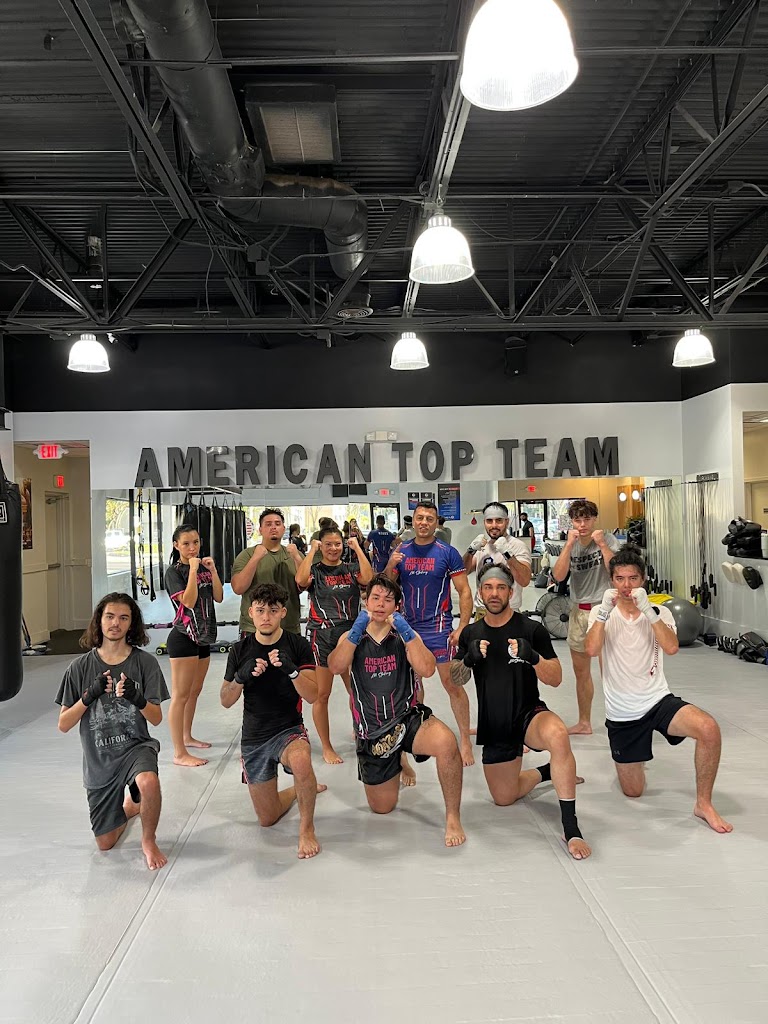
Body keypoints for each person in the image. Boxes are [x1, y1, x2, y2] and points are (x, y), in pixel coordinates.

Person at [585, 547, 732, 834]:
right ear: (611, 581)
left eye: (632, 578)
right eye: (620, 579)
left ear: (643, 580)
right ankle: (635, 760)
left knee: (708, 728)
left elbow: (672, 647)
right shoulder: (602, 614)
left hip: (657, 700)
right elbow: (591, 649)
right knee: (634, 791)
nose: (626, 586)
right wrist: (603, 611)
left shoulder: (659, 611)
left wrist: (648, 611)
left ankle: (703, 803)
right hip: (623, 712)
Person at [452, 565, 590, 860]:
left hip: (529, 714)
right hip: (495, 724)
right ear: (480, 592)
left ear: (510, 592)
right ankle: (546, 772)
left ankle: (571, 827)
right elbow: (455, 679)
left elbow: (556, 678)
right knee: (504, 798)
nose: (494, 593)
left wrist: (533, 657)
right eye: (488, 587)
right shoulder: (471, 633)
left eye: (500, 587)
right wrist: (469, 659)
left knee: (558, 734)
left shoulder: (531, 629)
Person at [327, 576, 466, 847]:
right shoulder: (352, 636)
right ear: (366, 602)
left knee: (447, 743)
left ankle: (453, 817)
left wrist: (407, 632)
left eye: (388, 600)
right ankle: (399, 759)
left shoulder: (405, 634)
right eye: (375, 598)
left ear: (397, 606)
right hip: (372, 730)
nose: (381, 604)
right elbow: (335, 666)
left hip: (406, 718)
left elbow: (427, 669)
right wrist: (355, 632)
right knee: (382, 807)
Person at [56, 593, 169, 870]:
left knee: (148, 782)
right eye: (109, 616)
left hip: (135, 747)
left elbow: (156, 718)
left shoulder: (145, 663)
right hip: (99, 758)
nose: (115, 623)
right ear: (99, 621)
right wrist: (89, 696)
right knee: (105, 843)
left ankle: (148, 840)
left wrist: (137, 698)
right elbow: (64, 724)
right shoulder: (79, 668)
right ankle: (131, 807)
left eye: (123, 618)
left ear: (132, 624)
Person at [220, 583, 326, 859]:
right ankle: (300, 789)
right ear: (250, 613)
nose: (266, 616)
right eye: (260, 610)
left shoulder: (298, 645)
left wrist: (292, 671)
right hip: (254, 738)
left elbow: (313, 695)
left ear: (283, 613)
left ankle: (307, 829)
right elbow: (225, 700)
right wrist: (241, 677)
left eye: (273, 610)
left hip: (288, 730)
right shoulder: (239, 650)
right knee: (267, 818)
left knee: (301, 761)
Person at [385, 501, 475, 766]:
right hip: (408, 629)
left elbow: (464, 591)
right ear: (413, 521)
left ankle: (465, 740)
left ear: (436, 523)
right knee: (412, 686)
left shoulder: (447, 552)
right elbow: (386, 586)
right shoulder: (401, 551)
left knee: (452, 685)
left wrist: (462, 626)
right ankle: (416, 735)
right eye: (420, 518)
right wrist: (390, 564)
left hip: (439, 629)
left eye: (429, 518)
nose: (424, 522)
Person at [295, 526, 373, 765]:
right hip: (323, 636)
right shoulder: (315, 571)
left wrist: (357, 548)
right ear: (321, 545)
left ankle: (362, 732)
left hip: (350, 635)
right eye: (328, 544)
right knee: (323, 694)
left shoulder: (351, 569)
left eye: (337, 544)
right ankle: (327, 747)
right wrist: (311, 551)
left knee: (357, 690)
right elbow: (300, 580)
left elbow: (368, 578)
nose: (333, 548)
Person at [551, 499, 621, 736]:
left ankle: (619, 721)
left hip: (604, 609)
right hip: (578, 611)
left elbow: (616, 572)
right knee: (581, 672)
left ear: (595, 519)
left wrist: (601, 544)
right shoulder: (570, 544)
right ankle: (584, 722)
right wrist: (568, 545)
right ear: (571, 522)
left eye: (587, 519)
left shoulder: (608, 539)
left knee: (610, 670)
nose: (582, 525)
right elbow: (559, 576)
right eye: (578, 520)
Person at [164, 524, 223, 767]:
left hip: (203, 636)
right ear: (176, 545)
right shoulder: (173, 572)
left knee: (194, 691)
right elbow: (188, 601)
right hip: (183, 637)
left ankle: (187, 736)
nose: (192, 548)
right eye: (186, 543)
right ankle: (179, 753)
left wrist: (213, 570)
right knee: (180, 695)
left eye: (196, 542)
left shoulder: (204, 568)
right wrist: (193, 570)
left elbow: (218, 596)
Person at [231, 508, 303, 638]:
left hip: (289, 627)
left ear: (283, 529)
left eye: (277, 524)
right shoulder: (247, 555)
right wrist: (255, 558)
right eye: (268, 524)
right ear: (260, 530)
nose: (273, 527)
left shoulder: (294, 555)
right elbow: (238, 588)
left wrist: (297, 558)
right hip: (254, 628)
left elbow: (305, 585)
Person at [464, 501, 532, 621]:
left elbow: (525, 580)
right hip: (482, 613)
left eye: (499, 520)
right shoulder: (482, 546)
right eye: (489, 521)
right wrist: (470, 550)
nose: (494, 525)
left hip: (509, 614)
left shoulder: (517, 545)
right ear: (484, 522)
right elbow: (463, 571)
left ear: (507, 521)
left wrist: (508, 554)